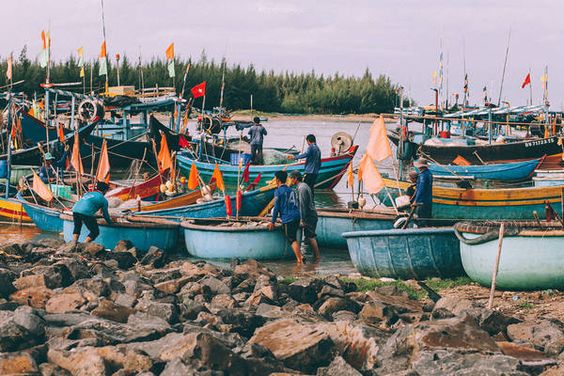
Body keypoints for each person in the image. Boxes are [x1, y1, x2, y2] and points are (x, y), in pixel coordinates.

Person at [268, 170, 303, 264]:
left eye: (275, 178)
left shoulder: (278, 191)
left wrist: (272, 222)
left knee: (292, 239)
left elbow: (276, 208)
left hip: (288, 218)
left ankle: (300, 260)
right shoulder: (291, 190)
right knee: (294, 236)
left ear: (278, 180)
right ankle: (301, 256)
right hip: (296, 216)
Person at [288, 170, 320, 261]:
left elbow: (303, 205)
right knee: (309, 236)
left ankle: (317, 257)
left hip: (309, 215)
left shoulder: (301, 188)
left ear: (295, 179)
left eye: (291, 178)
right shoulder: (304, 186)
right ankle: (315, 257)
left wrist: (302, 219)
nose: (290, 180)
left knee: (310, 236)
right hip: (310, 214)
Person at [413, 158, 433, 226]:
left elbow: (421, 189)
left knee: (421, 218)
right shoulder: (429, 173)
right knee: (427, 217)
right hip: (428, 199)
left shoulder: (423, 175)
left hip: (422, 201)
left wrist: (416, 200)